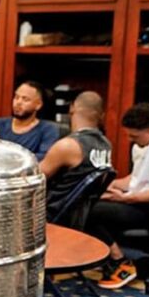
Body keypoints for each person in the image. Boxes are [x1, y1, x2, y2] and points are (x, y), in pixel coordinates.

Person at [84, 102, 149, 290]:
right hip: (144, 205)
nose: (131, 140)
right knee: (86, 200)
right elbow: (138, 179)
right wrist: (109, 185)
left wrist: (126, 199)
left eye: (134, 136)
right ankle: (106, 256)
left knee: (87, 209)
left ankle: (119, 261)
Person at [38, 90, 112, 222]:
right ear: (102, 115)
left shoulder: (68, 146)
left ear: (72, 108)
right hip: (80, 215)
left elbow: (34, 179)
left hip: (51, 215)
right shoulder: (106, 145)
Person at [0, 80, 60, 159]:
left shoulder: (48, 130)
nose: (18, 102)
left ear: (38, 105)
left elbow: (43, 158)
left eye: (25, 99)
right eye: (16, 97)